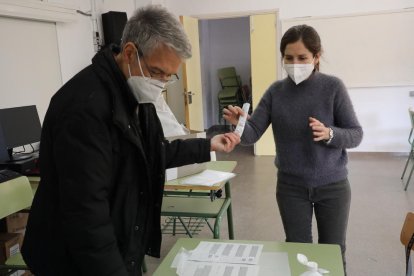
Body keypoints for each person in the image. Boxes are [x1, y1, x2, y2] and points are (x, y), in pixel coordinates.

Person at [22, 5, 240, 276]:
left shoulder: (136, 91)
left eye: (169, 76)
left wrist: (207, 144)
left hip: (116, 244)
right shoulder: (84, 108)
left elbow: (154, 152)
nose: (161, 83)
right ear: (129, 53)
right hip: (70, 260)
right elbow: (86, 215)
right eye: (157, 72)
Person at [223, 24, 362, 272]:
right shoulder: (276, 92)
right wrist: (240, 124)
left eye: (302, 58)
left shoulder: (333, 88)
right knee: (297, 250)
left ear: (317, 57)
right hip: (291, 187)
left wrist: (330, 133)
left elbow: (355, 134)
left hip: (333, 187)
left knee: (333, 251)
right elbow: (252, 134)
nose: (295, 63)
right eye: (289, 58)